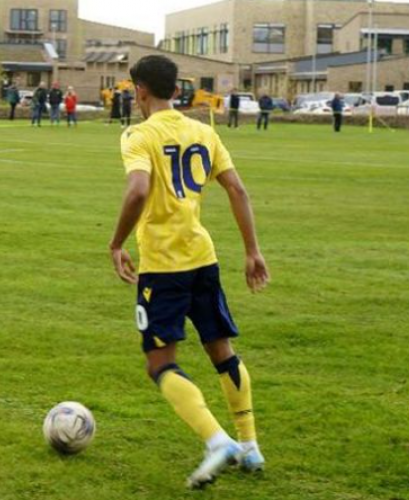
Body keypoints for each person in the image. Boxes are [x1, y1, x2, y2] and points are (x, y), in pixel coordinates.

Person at [109, 55, 269, 489]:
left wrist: (117, 242)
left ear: (139, 89)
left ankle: (217, 440)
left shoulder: (138, 135)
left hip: (162, 266)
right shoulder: (203, 131)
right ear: (176, 90)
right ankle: (250, 444)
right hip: (204, 258)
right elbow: (237, 188)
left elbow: (138, 189)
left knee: (159, 362)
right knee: (222, 350)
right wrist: (252, 250)